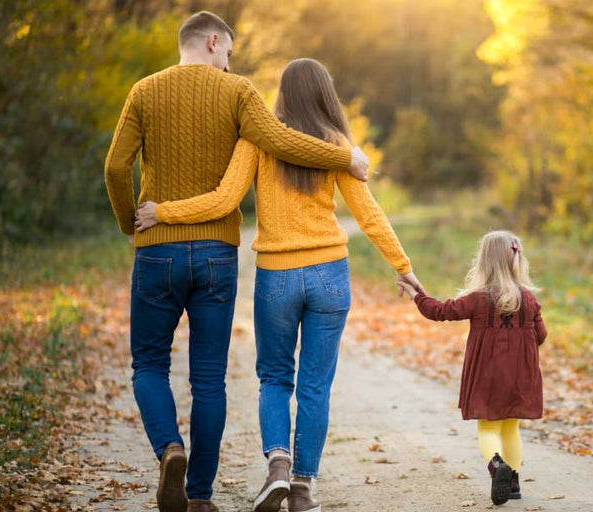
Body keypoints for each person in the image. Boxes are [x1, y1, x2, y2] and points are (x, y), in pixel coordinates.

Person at [103, 11, 372, 512]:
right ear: (211, 41)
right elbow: (282, 141)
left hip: (156, 250)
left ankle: (169, 448)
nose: (229, 60)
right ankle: (200, 495)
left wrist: (130, 224)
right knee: (208, 378)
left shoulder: (144, 90)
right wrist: (344, 156)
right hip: (216, 254)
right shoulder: (238, 92)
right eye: (227, 50)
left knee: (148, 363)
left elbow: (116, 166)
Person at [133, 58, 423, 512]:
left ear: (282, 95)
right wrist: (401, 266)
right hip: (330, 274)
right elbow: (369, 214)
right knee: (315, 385)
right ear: (326, 94)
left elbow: (224, 200)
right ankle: (302, 491)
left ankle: (278, 468)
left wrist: (162, 212)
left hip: (277, 277)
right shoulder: (336, 145)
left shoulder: (259, 140)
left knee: (274, 377)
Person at [395, 231, 546, 506]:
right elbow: (541, 336)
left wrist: (416, 293)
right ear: (517, 259)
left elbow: (439, 311)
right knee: (511, 428)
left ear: (484, 261)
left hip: (487, 374)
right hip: (520, 377)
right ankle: (513, 484)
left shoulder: (477, 299)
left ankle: (496, 465)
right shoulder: (530, 300)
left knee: (488, 428)